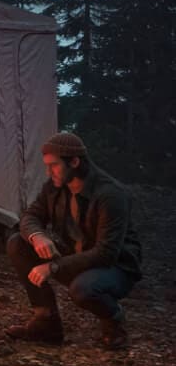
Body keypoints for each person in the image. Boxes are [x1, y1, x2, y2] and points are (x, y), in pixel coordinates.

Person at [7, 131, 143, 351]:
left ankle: (114, 320)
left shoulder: (110, 195)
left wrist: (53, 266)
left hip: (115, 266)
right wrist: (37, 235)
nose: (48, 171)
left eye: (54, 165)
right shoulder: (55, 186)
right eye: (47, 165)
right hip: (76, 256)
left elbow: (106, 252)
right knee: (18, 243)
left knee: (84, 289)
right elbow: (30, 216)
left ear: (75, 161)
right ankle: (46, 322)